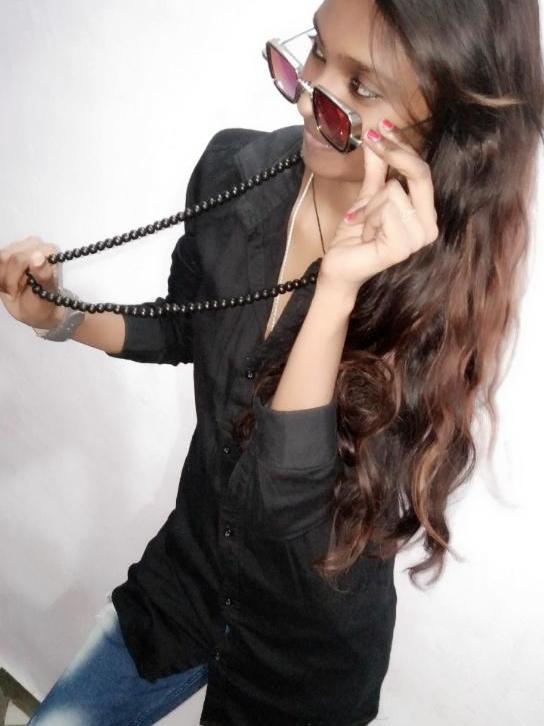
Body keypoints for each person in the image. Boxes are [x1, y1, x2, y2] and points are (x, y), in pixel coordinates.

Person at [1, 0, 543, 724]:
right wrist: (59, 316)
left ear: (443, 129)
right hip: (188, 578)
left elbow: (289, 503)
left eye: (362, 87)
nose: (312, 97)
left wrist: (337, 291)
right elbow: (186, 325)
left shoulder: (440, 300)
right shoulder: (237, 169)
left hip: (302, 654)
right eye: (316, 50)